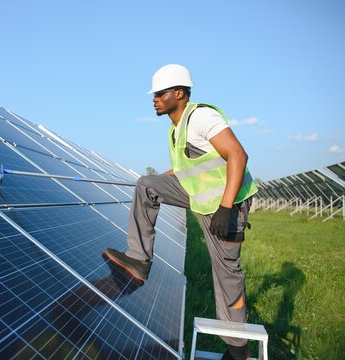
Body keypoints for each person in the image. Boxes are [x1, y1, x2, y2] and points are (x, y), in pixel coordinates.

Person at [103, 64, 258, 360]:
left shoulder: (201, 117)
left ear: (179, 93)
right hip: (200, 197)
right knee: (147, 184)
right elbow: (186, 168)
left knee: (227, 274)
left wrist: (226, 208)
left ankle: (238, 350)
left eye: (160, 93)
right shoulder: (177, 129)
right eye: (154, 94)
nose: (154, 99)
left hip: (228, 205)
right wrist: (162, 181)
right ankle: (139, 259)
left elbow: (237, 154)